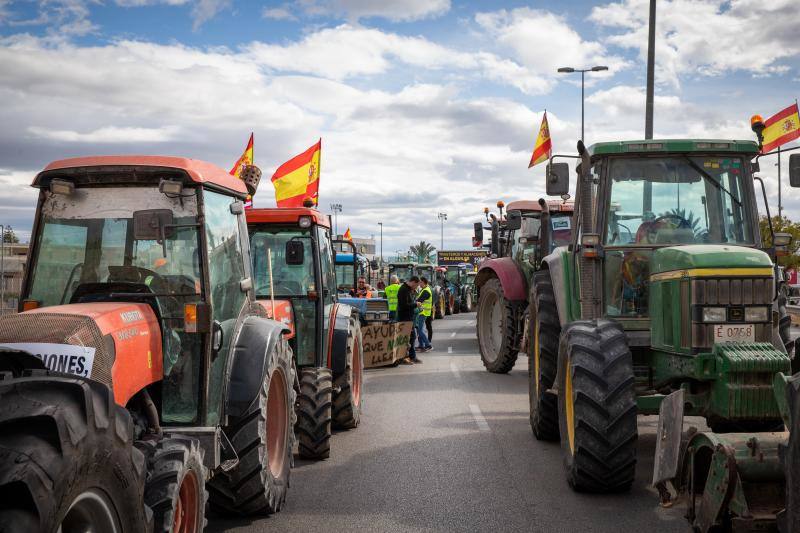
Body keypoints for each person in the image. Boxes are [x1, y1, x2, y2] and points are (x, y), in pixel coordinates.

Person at [396, 275, 421, 363]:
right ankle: (404, 357)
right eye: (417, 285)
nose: (416, 287)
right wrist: (415, 304)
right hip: (404, 318)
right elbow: (404, 305)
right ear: (413, 282)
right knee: (406, 338)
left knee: (412, 337)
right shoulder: (403, 290)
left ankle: (412, 356)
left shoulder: (409, 290)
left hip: (409, 318)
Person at [415, 277, 433, 352]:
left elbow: (419, 300)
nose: (419, 284)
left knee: (419, 330)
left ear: (424, 282)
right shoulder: (424, 290)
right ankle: (421, 346)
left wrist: (415, 300)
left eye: (420, 282)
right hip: (422, 312)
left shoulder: (426, 291)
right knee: (420, 329)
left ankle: (428, 345)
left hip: (423, 312)